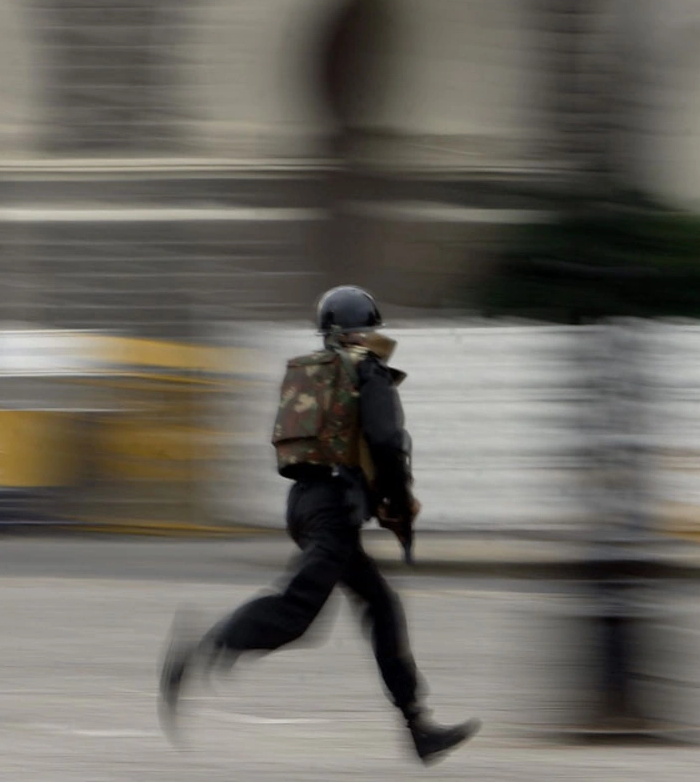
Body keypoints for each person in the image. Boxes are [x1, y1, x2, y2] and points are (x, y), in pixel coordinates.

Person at [158, 285, 480, 765]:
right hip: (333, 512)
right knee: (298, 611)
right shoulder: (366, 373)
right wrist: (398, 499)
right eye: (371, 329)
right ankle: (202, 649)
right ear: (364, 331)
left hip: (305, 503)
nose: (374, 337)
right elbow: (387, 441)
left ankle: (419, 729)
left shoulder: (318, 372)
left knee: (381, 605)